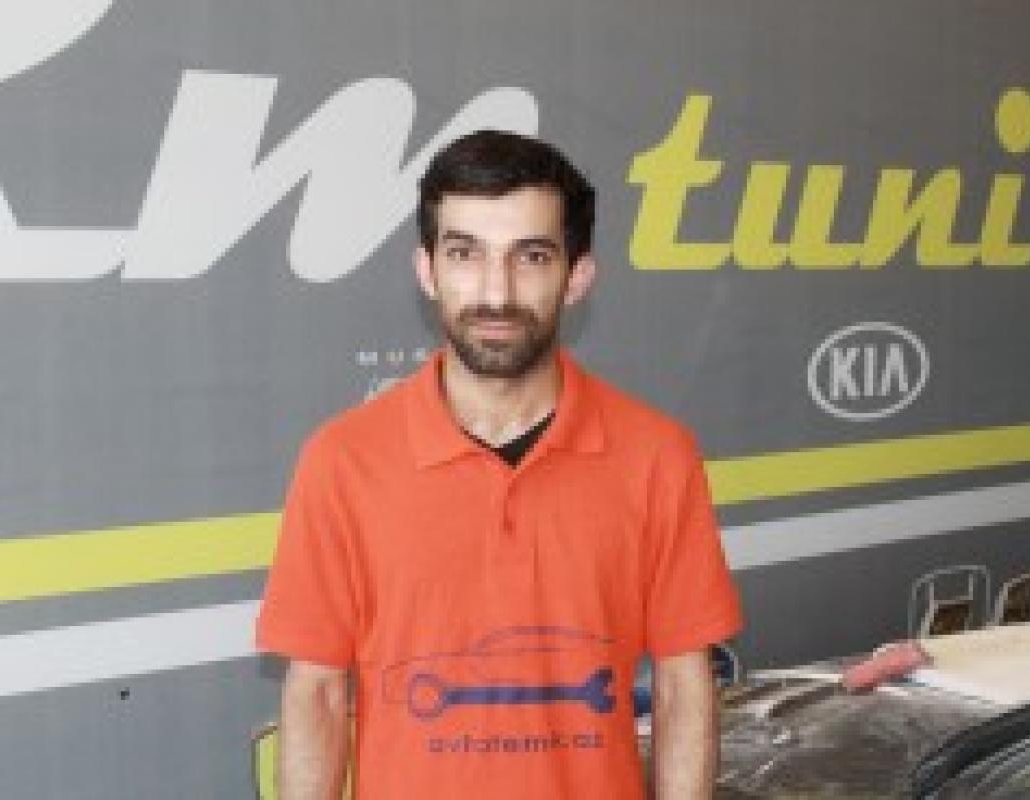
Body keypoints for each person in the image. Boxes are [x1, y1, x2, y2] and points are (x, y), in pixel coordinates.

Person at [256, 130, 742, 799]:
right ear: (427, 270)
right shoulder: (342, 461)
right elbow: (316, 692)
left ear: (578, 276)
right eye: (465, 253)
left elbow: (684, 685)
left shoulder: (658, 457)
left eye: (531, 256)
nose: (496, 290)